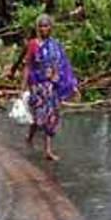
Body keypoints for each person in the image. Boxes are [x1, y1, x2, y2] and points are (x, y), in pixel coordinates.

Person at [8, 14, 78, 161]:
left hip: (51, 85)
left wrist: (71, 85)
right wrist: (22, 88)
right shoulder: (33, 44)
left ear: (51, 27)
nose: (43, 28)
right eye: (41, 26)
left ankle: (48, 149)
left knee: (51, 115)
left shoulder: (55, 45)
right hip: (37, 85)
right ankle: (30, 136)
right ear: (37, 28)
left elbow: (63, 65)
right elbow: (28, 66)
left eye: (46, 25)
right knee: (39, 114)